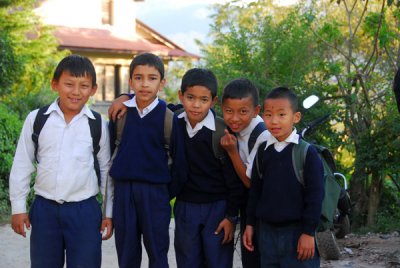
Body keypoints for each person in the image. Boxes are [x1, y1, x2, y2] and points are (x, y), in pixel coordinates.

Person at [9, 54, 113, 268]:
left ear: (93, 89)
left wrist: (108, 214)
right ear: (55, 84)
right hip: (45, 211)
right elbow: (22, 164)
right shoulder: (37, 119)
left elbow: (106, 171)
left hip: (84, 212)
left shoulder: (98, 124)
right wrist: (18, 208)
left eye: (84, 86)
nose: (76, 92)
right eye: (69, 84)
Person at [108, 52, 187, 268]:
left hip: (156, 195)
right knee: (127, 255)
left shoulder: (169, 118)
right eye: (139, 78)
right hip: (124, 194)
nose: (145, 84)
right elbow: (110, 155)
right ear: (130, 81)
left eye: (152, 78)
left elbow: (180, 166)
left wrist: (162, 193)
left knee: (158, 254)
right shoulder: (120, 115)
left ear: (162, 83)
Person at [243, 86, 324, 267]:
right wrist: (250, 224)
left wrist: (309, 233)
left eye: (281, 115)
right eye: (269, 115)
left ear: (295, 117)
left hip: (297, 233)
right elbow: (255, 191)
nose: (274, 121)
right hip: (267, 234)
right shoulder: (263, 151)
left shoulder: (306, 153)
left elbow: (316, 197)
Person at [173, 68, 243, 268]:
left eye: (203, 100)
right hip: (186, 206)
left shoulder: (222, 132)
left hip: (217, 208)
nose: (196, 105)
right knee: (187, 261)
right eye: (190, 98)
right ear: (181, 96)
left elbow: (234, 180)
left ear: (213, 101)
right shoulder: (174, 121)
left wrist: (231, 216)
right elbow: (152, 104)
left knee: (217, 261)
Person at [220, 78, 270, 268]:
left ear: (256, 111)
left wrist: (232, 152)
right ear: (221, 107)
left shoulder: (262, 135)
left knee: (259, 259)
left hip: (263, 212)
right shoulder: (234, 129)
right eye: (229, 111)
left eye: (243, 112)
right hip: (248, 208)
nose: (235, 118)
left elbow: (251, 182)